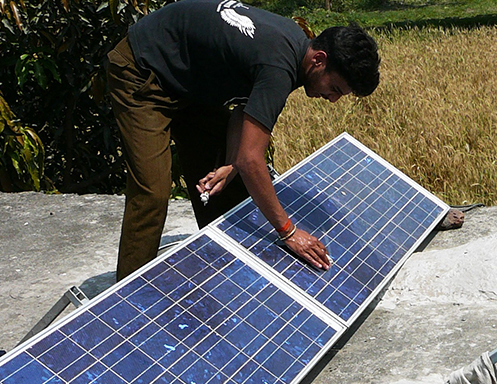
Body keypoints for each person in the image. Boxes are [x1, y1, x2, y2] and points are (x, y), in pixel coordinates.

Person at [106, 0, 380, 281]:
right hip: (142, 71)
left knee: (223, 176)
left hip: (188, 78)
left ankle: (228, 271)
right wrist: (289, 231)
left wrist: (231, 164)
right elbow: (251, 159)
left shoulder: (296, 48)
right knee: (152, 192)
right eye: (334, 88)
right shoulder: (279, 66)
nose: (332, 99)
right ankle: (130, 295)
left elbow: (243, 107)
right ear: (319, 60)